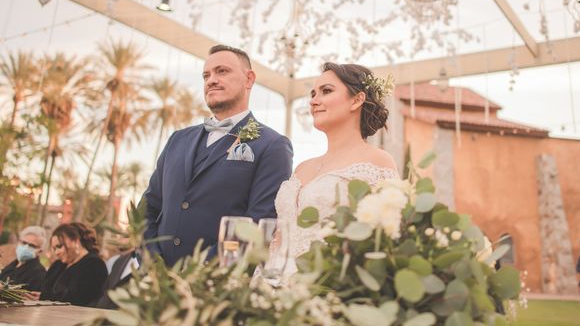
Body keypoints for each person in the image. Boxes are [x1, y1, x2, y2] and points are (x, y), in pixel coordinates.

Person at [143, 45, 293, 267]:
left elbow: (258, 224)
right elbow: (148, 208)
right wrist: (152, 263)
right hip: (155, 285)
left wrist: (198, 273)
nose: (211, 80)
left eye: (222, 71)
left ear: (249, 79)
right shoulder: (177, 140)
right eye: (206, 75)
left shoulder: (272, 145)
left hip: (217, 288)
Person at [271, 62, 399, 279]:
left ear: (357, 100)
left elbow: (386, 238)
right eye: (313, 94)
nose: (313, 101)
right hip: (272, 281)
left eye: (326, 91)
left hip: (326, 285)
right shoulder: (302, 167)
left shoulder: (378, 162)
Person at [40, 222, 107, 306]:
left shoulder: (95, 265)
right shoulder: (57, 265)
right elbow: (45, 291)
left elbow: (79, 299)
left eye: (60, 246)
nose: (57, 252)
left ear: (76, 241)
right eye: (54, 248)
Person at [0, 225, 47, 291]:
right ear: (18, 242)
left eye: (32, 245)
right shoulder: (11, 266)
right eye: (24, 243)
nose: (25, 248)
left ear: (40, 251)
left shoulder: (39, 274)